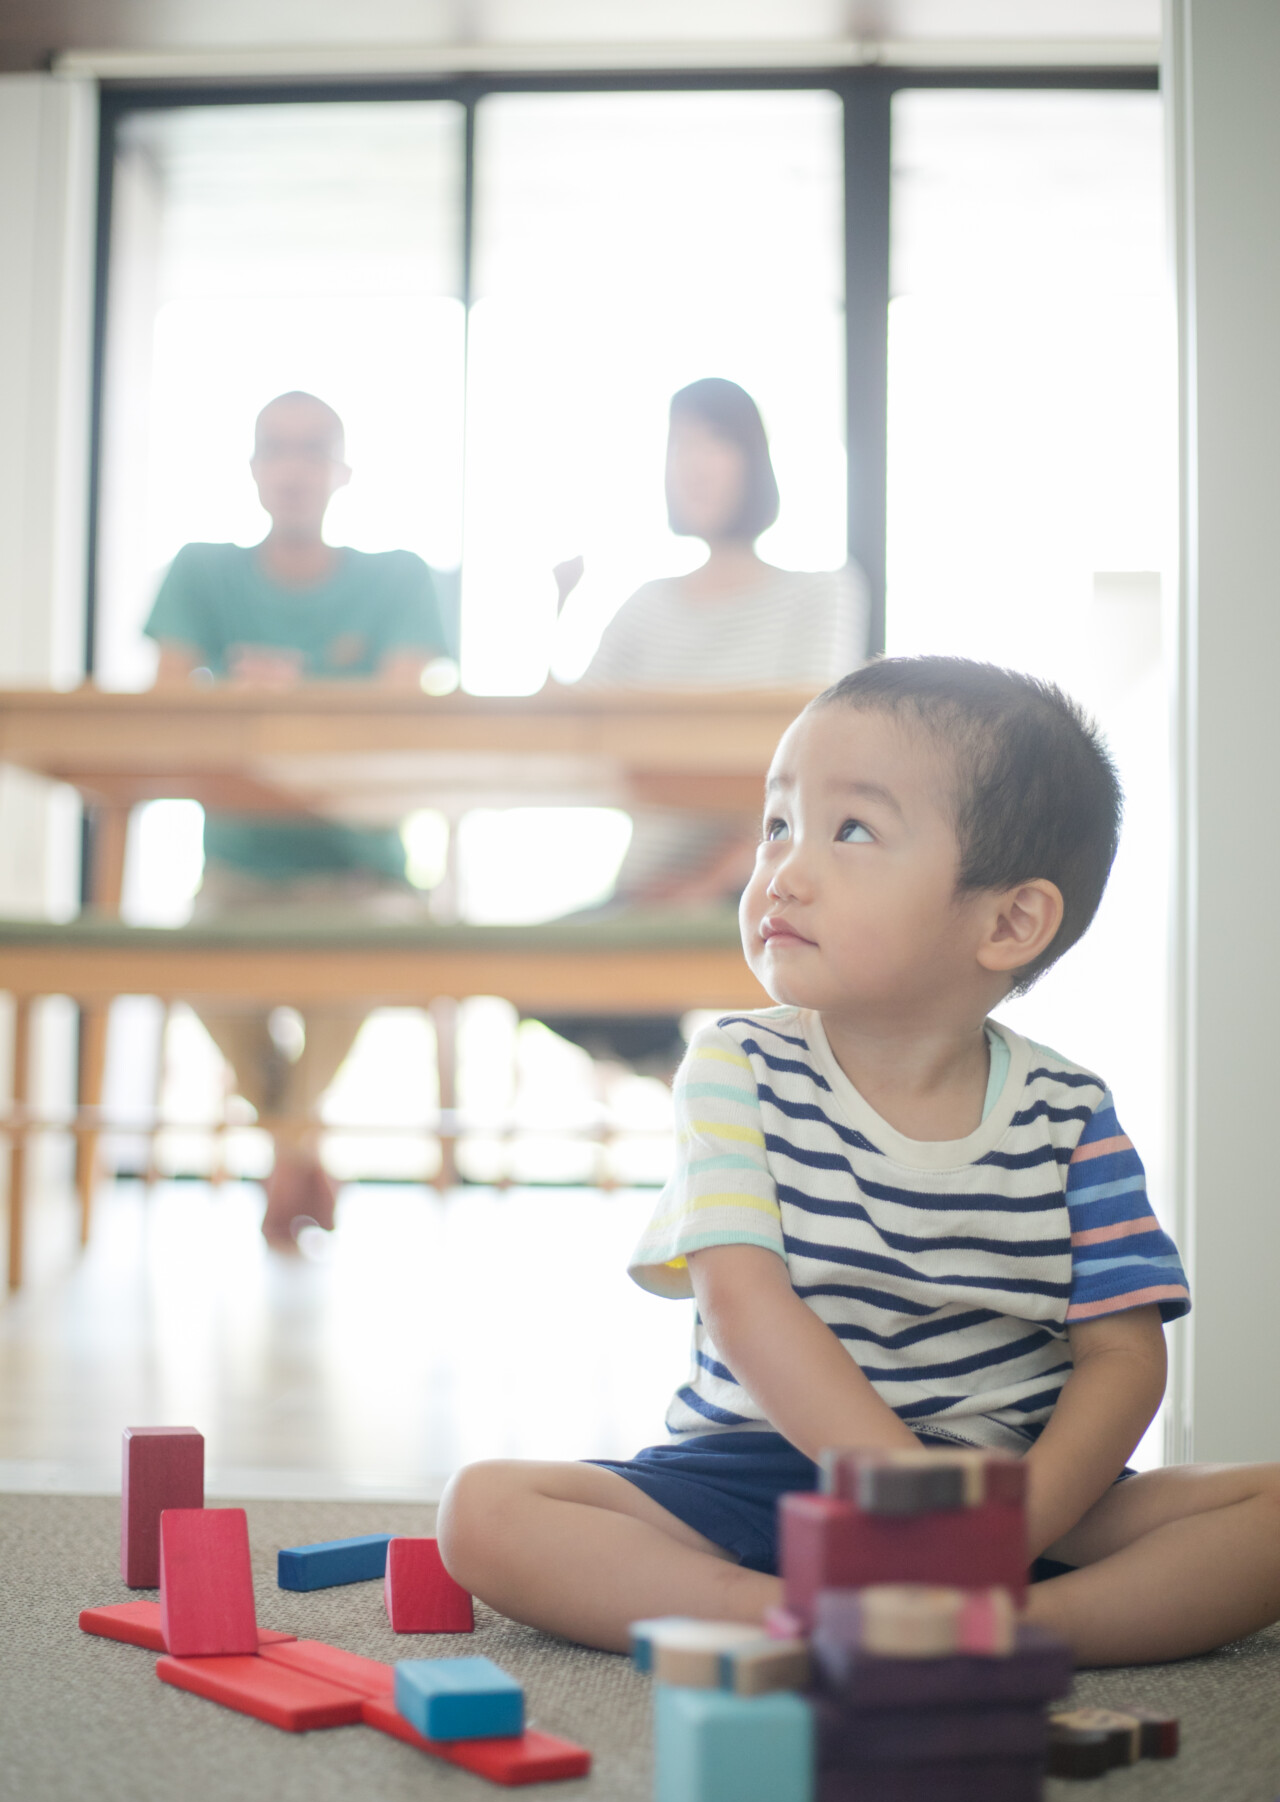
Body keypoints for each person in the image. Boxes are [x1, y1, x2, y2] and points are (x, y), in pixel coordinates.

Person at [438, 657, 1280, 1668]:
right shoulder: (736, 1068)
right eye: (777, 823)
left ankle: (1014, 1630)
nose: (782, 871)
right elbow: (744, 1303)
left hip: (1004, 1488)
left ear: (1008, 921)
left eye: (850, 831)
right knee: (486, 1511)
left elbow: (1123, 1357)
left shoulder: (1069, 1113)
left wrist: (1013, 1529)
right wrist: (896, 1496)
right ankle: (797, 1620)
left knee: (1267, 1512)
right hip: (764, 1475)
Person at [146, 390, 453, 1247]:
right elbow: (163, 713)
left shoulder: (398, 576)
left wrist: (276, 703)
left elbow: (399, 718)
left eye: (312, 449)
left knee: (358, 959)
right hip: (237, 876)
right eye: (276, 449)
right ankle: (300, 1146)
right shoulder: (200, 571)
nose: (293, 467)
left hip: (364, 878)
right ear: (253, 470)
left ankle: (286, 1149)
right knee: (188, 960)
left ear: (341, 471)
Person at [538, 376, 868, 1078]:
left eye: (713, 441)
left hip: (765, 874)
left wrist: (713, 877)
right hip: (648, 888)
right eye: (678, 445)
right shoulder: (644, 605)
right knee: (529, 969)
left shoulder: (821, 592)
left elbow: (820, 758)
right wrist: (560, 609)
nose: (691, 462)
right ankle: (699, 1095)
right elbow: (565, 732)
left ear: (753, 461)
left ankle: (711, 1098)